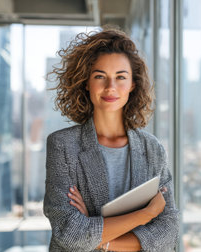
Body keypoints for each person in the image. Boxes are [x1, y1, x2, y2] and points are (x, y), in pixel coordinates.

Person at [43, 28, 179, 251]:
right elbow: (68, 233)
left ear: (132, 84)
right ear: (86, 82)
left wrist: (101, 241)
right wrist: (146, 214)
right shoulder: (63, 145)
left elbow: (168, 230)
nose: (110, 87)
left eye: (120, 77)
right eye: (100, 76)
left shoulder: (152, 148)